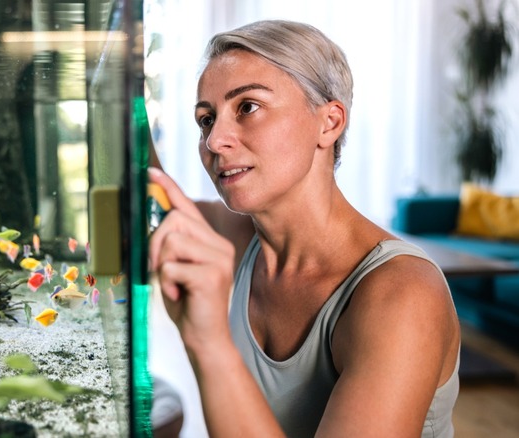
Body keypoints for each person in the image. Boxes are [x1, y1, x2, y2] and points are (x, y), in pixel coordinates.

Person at [148, 20, 460, 437]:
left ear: (329, 123)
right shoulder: (242, 239)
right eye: (206, 120)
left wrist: (208, 342)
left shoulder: (403, 294)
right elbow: (150, 191)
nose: (214, 140)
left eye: (248, 107)